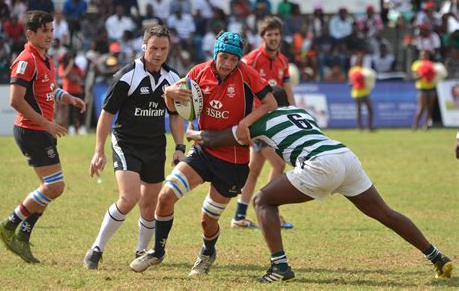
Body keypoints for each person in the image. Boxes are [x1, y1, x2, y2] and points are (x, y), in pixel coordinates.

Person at [185, 86, 454, 282]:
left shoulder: (264, 119)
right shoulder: (300, 112)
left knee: (263, 200)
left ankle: (279, 267)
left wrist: (192, 132)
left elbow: (216, 139)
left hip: (320, 164)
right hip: (344, 156)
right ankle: (437, 257)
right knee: (385, 213)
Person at [129, 31, 277, 276]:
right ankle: (157, 251)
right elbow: (177, 109)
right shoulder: (198, 73)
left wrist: (245, 123)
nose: (228, 64)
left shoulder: (246, 74)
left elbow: (270, 103)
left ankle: (207, 252)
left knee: (207, 221)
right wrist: (169, 95)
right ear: (215, 53)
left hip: (234, 160)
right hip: (203, 152)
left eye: (233, 59)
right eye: (224, 57)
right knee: (165, 196)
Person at [83, 25, 187, 270]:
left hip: (155, 145)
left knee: (150, 205)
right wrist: (98, 150)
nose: (158, 53)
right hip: (126, 142)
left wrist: (180, 146)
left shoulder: (173, 79)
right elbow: (106, 115)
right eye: (154, 48)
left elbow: (175, 116)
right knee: (129, 198)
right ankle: (96, 249)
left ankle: (142, 250)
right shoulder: (127, 75)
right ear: (144, 47)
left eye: (163, 49)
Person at [0, 10, 86, 263]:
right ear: (30, 33)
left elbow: (48, 89)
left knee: (50, 188)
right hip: (31, 130)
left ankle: (23, 236)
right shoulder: (26, 59)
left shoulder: (45, 59)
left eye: (51, 30)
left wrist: (67, 97)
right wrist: (47, 123)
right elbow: (15, 100)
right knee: (55, 186)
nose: (49, 35)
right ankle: (10, 225)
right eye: (44, 31)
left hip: (40, 130)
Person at [233, 16, 295, 229]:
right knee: (278, 163)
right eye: (269, 35)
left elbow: (286, 89)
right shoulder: (251, 59)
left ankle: (239, 216)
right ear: (263, 37)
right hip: (257, 123)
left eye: (276, 34)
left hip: (273, 121)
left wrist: (293, 111)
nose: (274, 38)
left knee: (254, 169)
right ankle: (270, 210)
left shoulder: (283, 61)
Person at [348, 52, 375, 131]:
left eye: (362, 60)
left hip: (365, 92)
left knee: (370, 109)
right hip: (357, 93)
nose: (360, 61)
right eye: (359, 60)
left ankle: (369, 126)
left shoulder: (365, 70)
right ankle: (360, 127)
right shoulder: (353, 70)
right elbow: (352, 81)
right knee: (359, 110)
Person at [411, 50, 437, 130]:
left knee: (430, 108)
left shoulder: (432, 64)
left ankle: (426, 125)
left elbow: (436, 75)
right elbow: (414, 77)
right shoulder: (416, 64)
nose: (424, 56)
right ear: (420, 56)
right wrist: (423, 74)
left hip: (431, 88)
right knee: (421, 107)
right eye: (422, 55)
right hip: (421, 88)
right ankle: (415, 125)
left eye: (426, 55)